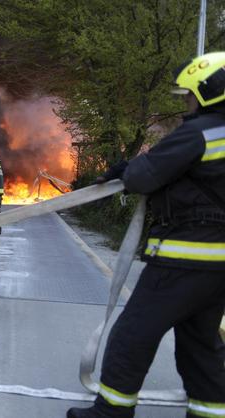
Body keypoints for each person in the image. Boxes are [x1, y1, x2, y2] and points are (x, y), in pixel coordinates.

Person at [67, 52, 225, 418]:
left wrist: (127, 168)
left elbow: (143, 177)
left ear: (209, 91)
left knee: (132, 334)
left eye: (189, 95)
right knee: (201, 344)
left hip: (185, 258)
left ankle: (111, 413)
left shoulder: (201, 132)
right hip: (218, 268)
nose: (186, 102)